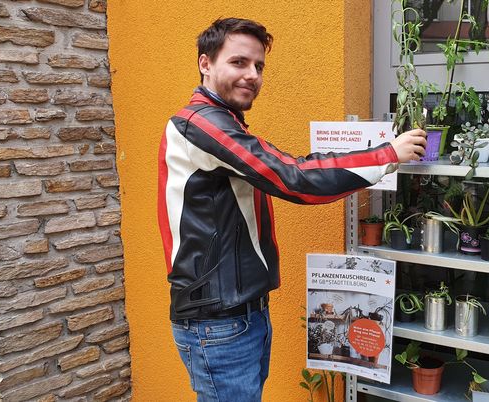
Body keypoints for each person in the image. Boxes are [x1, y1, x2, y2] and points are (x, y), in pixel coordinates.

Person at [157, 17, 426, 402]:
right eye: (238, 62)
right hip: (218, 322)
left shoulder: (223, 123)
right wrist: (386, 155)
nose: (252, 75)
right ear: (205, 64)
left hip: (235, 315)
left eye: (259, 66)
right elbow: (293, 177)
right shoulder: (203, 125)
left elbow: (289, 167)